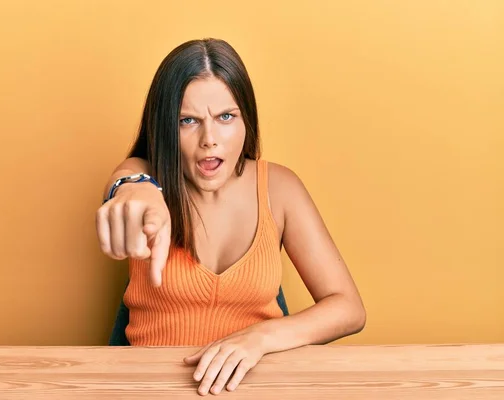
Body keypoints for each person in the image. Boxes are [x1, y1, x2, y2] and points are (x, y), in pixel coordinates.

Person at [96, 38, 366, 396]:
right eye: (187, 120)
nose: (210, 139)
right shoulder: (147, 176)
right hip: (151, 389)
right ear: (165, 129)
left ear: (246, 120)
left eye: (225, 117)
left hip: (257, 388)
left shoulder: (280, 188)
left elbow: (349, 308)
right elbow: (128, 180)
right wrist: (133, 189)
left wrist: (260, 338)